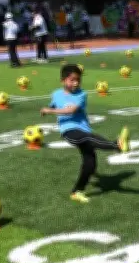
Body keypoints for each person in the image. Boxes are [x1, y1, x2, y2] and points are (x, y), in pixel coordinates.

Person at [40, 64, 131, 203]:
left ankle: (76, 191)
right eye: (72, 80)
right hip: (69, 131)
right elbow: (54, 104)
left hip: (83, 129)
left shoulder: (81, 95)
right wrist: (47, 110)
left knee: (90, 163)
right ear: (63, 80)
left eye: (78, 80)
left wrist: (49, 111)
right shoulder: (56, 94)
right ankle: (116, 144)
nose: (76, 83)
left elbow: (70, 111)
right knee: (88, 138)